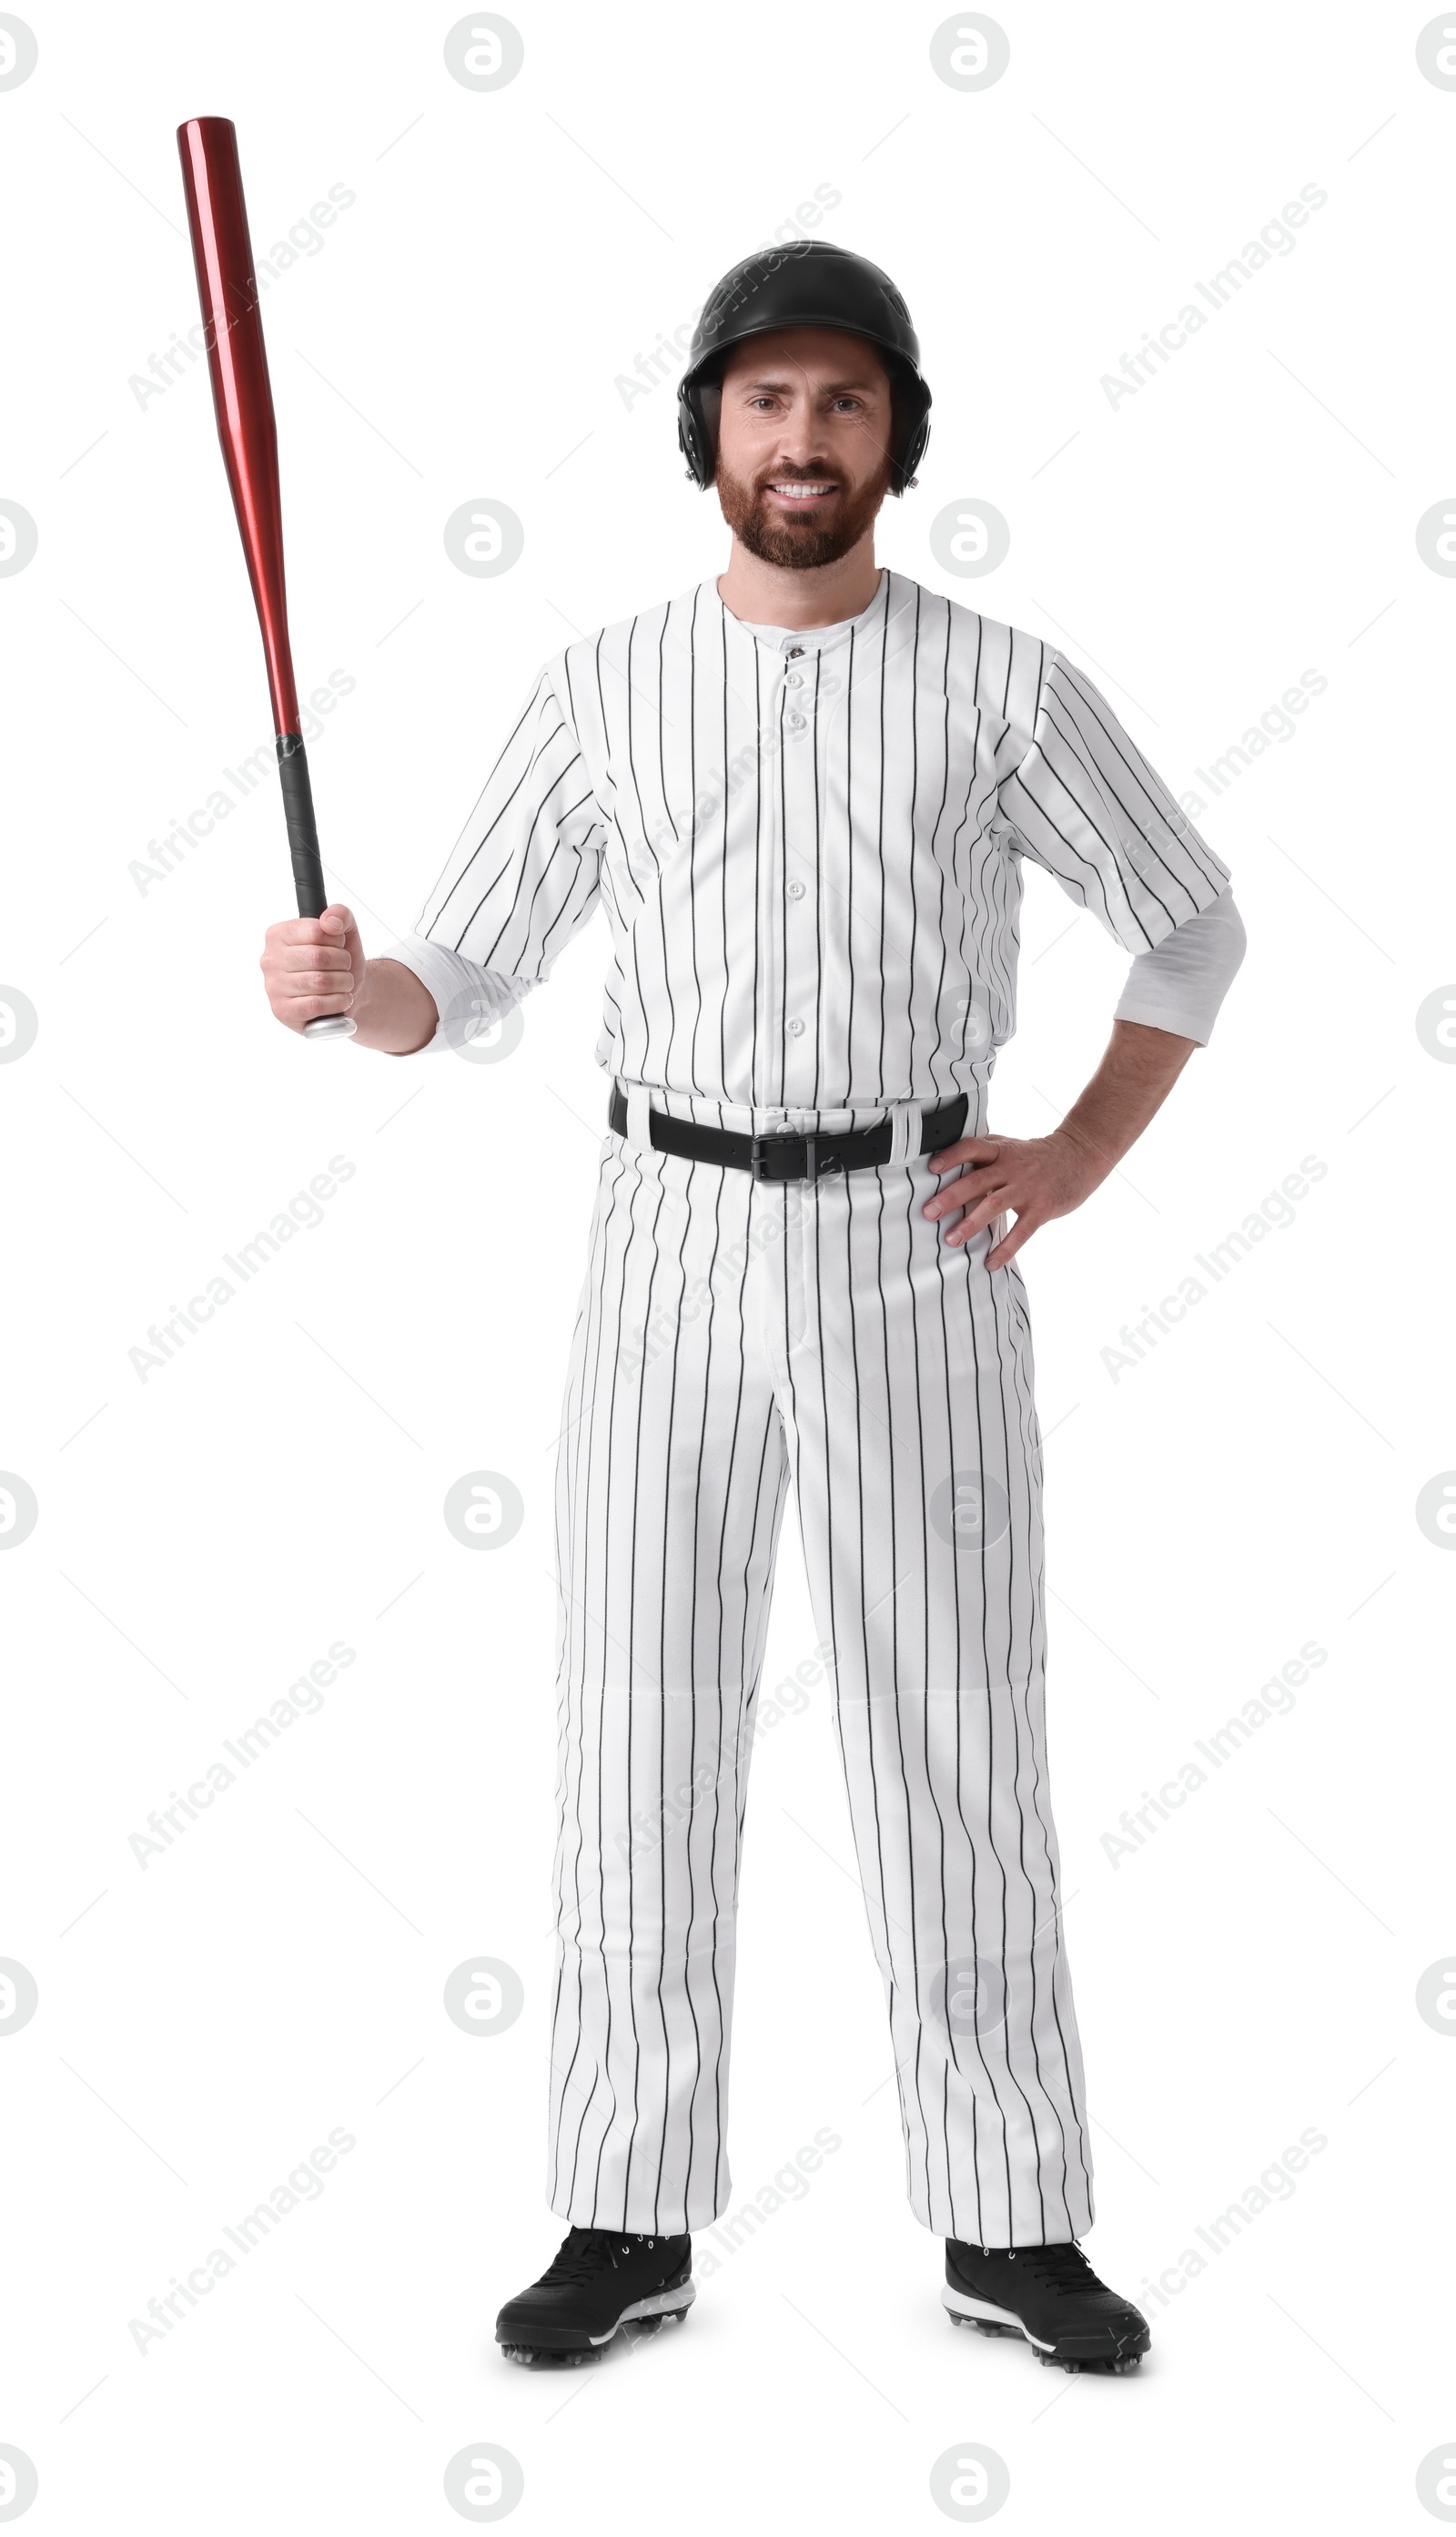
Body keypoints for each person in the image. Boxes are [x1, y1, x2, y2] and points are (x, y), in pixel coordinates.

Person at [259, 243, 1245, 2376]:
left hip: (920, 1237)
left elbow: (1189, 927)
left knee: (953, 1733)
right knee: (637, 1723)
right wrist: (355, 998)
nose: (802, 442)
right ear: (702, 431)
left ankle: (1012, 2217)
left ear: (896, 439)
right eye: (764, 403)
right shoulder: (603, 685)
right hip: (665, 1242)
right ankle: (624, 2210)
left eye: (844, 406)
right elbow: (466, 980)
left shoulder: (1001, 682)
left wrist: (1070, 1154)